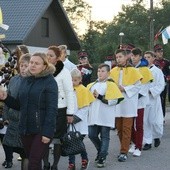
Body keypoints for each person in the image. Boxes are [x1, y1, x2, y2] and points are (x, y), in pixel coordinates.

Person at [0, 52, 58, 170]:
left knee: (33, 162)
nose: (32, 65)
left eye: (37, 63)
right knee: (33, 160)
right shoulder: (26, 80)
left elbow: (52, 109)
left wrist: (47, 132)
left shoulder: (50, 81)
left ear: (45, 66)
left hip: (41, 130)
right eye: (31, 62)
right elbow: (19, 105)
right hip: (25, 129)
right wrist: (6, 98)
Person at [43, 46, 74, 170]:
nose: (48, 57)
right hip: (44, 109)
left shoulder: (64, 72)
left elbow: (69, 92)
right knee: (43, 138)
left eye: (51, 55)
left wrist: (70, 113)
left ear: (57, 58)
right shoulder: (43, 70)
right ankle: (45, 163)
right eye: (47, 55)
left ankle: (55, 165)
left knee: (57, 139)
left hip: (60, 109)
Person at [87, 63, 124, 168]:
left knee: (105, 136)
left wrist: (99, 97)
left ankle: (102, 157)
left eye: (102, 71)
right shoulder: (92, 85)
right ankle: (101, 151)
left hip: (105, 114)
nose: (100, 73)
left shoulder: (111, 84)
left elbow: (114, 101)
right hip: (93, 114)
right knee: (92, 135)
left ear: (108, 73)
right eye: (98, 71)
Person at [110, 49, 142, 162]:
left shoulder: (133, 70)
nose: (118, 59)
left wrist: (125, 88)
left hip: (128, 103)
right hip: (118, 104)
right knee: (119, 129)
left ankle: (123, 151)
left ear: (125, 57)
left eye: (120, 57)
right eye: (116, 57)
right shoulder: (113, 71)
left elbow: (138, 86)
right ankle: (126, 145)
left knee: (126, 128)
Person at [2, 53, 31, 169]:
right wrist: (5, 116)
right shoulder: (14, 80)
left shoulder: (32, 81)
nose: (23, 68)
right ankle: (8, 160)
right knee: (7, 143)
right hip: (13, 121)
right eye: (21, 66)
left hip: (25, 122)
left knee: (25, 152)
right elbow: (7, 98)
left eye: (26, 66)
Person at [67, 68, 95, 170]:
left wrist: (75, 117)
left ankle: (84, 159)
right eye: (71, 80)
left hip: (79, 122)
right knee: (70, 142)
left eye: (75, 80)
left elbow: (85, 107)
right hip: (68, 122)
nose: (73, 82)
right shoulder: (68, 90)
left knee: (78, 142)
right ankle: (71, 163)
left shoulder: (83, 90)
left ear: (80, 79)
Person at [129, 48, 153, 157]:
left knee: (138, 124)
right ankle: (134, 143)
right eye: (132, 56)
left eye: (135, 56)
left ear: (140, 56)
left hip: (139, 101)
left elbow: (144, 87)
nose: (133, 58)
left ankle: (139, 147)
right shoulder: (129, 68)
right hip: (129, 100)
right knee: (129, 124)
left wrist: (133, 95)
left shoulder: (145, 69)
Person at [143, 51, 165, 150]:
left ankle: (156, 136)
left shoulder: (157, 71)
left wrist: (151, 91)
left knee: (154, 121)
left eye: (148, 57)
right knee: (145, 120)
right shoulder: (141, 70)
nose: (146, 59)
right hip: (144, 99)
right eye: (145, 57)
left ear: (153, 58)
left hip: (153, 99)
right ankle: (147, 141)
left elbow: (161, 85)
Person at [154, 44, 170, 119]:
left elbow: (168, 72)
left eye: (161, 51)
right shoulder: (153, 62)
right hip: (154, 85)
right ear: (155, 53)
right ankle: (155, 116)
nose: (160, 53)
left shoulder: (166, 62)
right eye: (158, 51)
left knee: (162, 100)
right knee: (155, 101)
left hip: (163, 84)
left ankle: (162, 117)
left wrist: (167, 77)